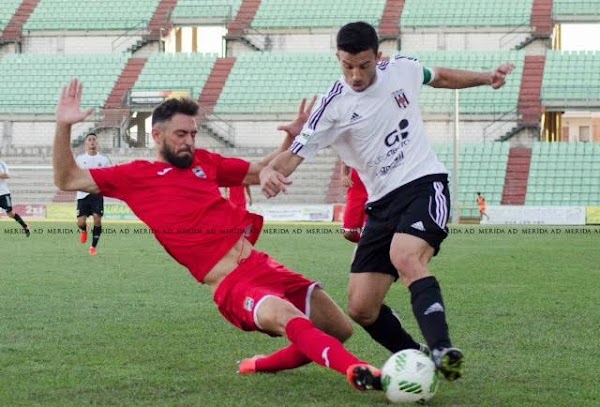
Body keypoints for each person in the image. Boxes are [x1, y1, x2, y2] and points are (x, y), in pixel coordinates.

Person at [53, 79, 382, 393]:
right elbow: (67, 179)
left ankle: (261, 365)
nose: (189, 141)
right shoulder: (136, 175)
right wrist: (64, 126)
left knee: (339, 329)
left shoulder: (205, 162)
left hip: (261, 265)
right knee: (286, 317)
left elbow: (261, 171)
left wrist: (293, 141)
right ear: (157, 135)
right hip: (232, 285)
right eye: (181, 134)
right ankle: (359, 371)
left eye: (193, 134)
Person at [259, 21, 515, 382]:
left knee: (406, 256)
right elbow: (297, 152)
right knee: (361, 307)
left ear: (378, 57)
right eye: (347, 66)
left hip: (424, 183)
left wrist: (487, 77)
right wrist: (272, 170)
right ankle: (418, 360)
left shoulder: (402, 69)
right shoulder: (333, 105)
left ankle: (442, 349)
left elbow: (438, 76)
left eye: (363, 65)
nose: (356, 75)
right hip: (380, 204)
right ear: (338, 59)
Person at [75, 133, 112, 255]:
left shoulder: (104, 160)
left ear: (97, 143)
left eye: (94, 140)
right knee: (80, 222)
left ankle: (93, 246)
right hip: (83, 194)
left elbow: (110, 175)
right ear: (86, 143)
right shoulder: (80, 159)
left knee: (97, 219)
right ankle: (84, 231)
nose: (92, 142)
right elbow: (75, 175)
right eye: (89, 140)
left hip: (97, 193)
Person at [0, 159, 30, 237]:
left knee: (10, 213)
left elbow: (7, 175)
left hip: (3, 194)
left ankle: (25, 226)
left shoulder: (2, 164)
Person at [340, 162, 368, 243]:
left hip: (374, 193)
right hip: (356, 191)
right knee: (348, 233)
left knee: (367, 232)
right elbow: (345, 159)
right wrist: (344, 175)